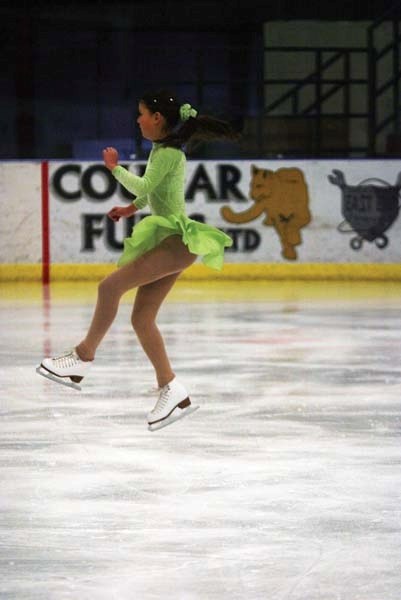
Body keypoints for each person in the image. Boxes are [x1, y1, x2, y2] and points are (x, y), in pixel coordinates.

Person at [36, 89, 237, 431]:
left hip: (176, 240)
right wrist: (130, 208)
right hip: (173, 240)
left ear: (157, 119)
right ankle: (172, 390)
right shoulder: (164, 151)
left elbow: (143, 183)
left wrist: (114, 169)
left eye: (142, 113)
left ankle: (82, 358)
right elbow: (153, 193)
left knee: (109, 287)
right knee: (142, 318)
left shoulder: (169, 153)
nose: (138, 119)